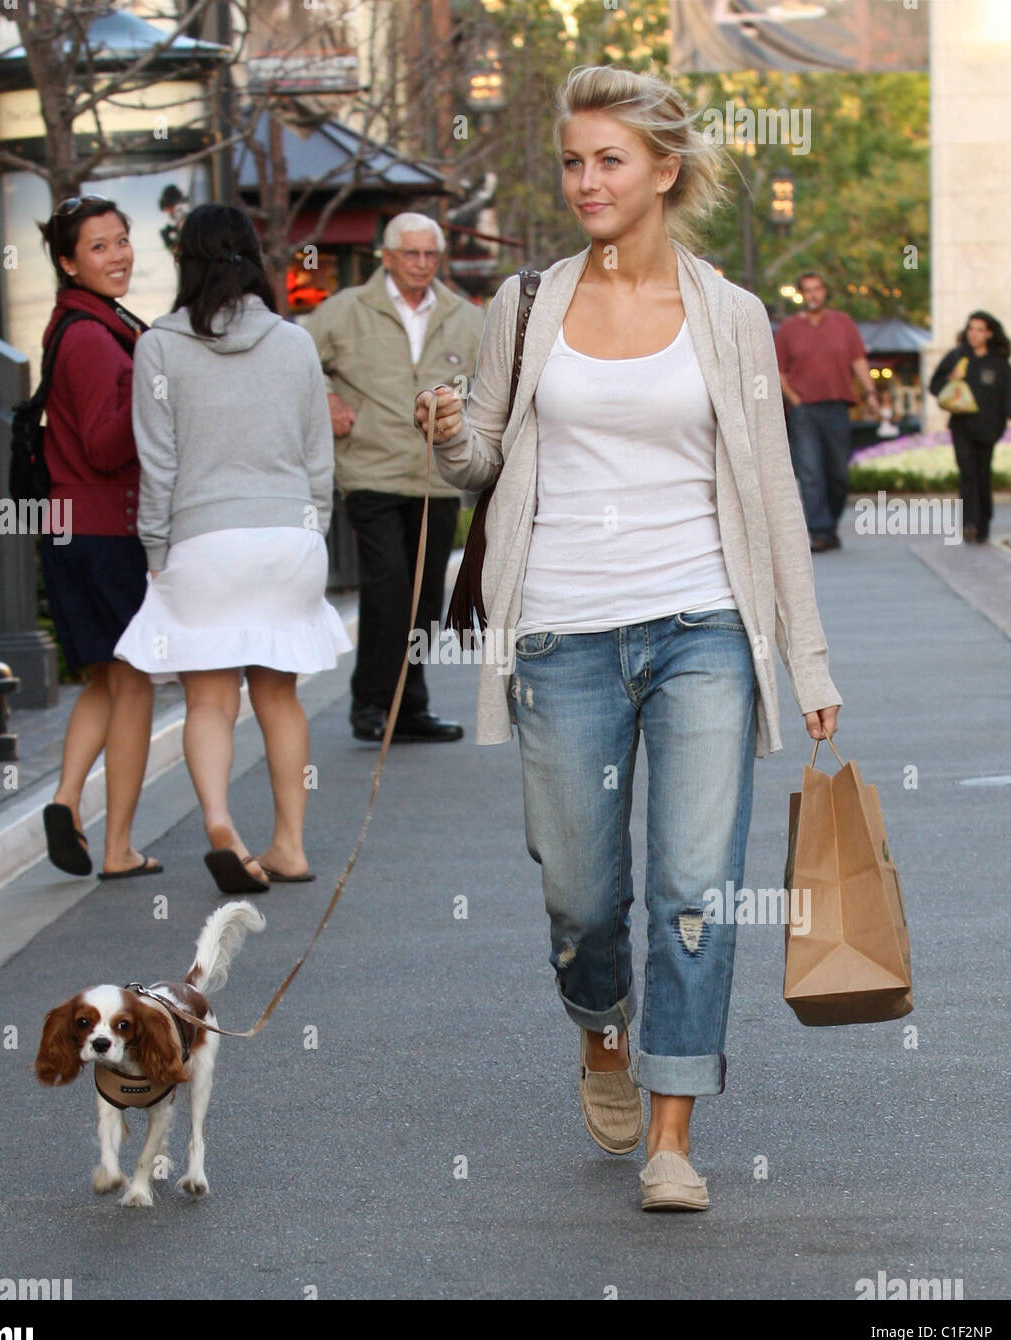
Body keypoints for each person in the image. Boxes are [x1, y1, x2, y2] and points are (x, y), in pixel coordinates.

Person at [415, 64, 842, 1214]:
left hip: (702, 622)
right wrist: (449, 433)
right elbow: (481, 466)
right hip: (561, 630)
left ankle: (671, 1128)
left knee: (696, 885)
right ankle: (599, 1025)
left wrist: (801, 658)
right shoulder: (526, 303)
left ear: (662, 170)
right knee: (580, 895)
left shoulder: (730, 316)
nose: (586, 180)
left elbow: (767, 492)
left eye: (609, 159)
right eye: (572, 160)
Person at [114, 203, 351, 894]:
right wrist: (314, 531)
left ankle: (220, 823)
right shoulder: (294, 342)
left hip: (204, 537)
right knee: (278, 696)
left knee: (210, 700)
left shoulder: (158, 345)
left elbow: (158, 462)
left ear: (186, 259)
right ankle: (291, 846)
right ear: (255, 257)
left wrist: (156, 547)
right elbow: (318, 458)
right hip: (288, 538)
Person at [303, 213, 485, 743]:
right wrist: (328, 396)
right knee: (388, 586)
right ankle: (370, 703)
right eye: (411, 254)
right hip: (371, 470)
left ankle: (409, 710)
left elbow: (493, 384)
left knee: (427, 596)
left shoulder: (465, 318)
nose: (422, 265)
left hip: (435, 475)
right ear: (386, 256)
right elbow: (297, 363)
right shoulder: (342, 312)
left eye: (431, 255)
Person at [36, 195, 161, 882]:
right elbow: (105, 445)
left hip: (74, 527)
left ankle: (64, 801)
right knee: (135, 681)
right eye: (99, 247)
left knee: (104, 680)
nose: (117, 257)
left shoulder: (88, 323)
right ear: (66, 260)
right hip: (102, 529)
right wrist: (150, 379)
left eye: (121, 241)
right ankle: (117, 849)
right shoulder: (88, 337)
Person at [774, 271, 878, 551]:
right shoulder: (788, 329)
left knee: (837, 474)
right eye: (807, 290)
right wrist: (794, 399)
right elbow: (779, 370)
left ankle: (829, 525)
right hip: (804, 411)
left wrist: (870, 393)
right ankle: (819, 532)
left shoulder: (842, 323)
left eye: (817, 289)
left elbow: (858, 360)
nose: (813, 295)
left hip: (837, 408)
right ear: (801, 294)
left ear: (824, 292)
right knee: (810, 473)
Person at [928, 311, 1011, 543]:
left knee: (983, 474)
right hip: (962, 425)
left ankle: (983, 522)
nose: (974, 334)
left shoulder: (998, 362)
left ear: (989, 333)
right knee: (967, 472)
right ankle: (969, 522)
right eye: (971, 329)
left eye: (980, 329)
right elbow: (935, 384)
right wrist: (951, 378)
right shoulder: (957, 357)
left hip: (989, 426)